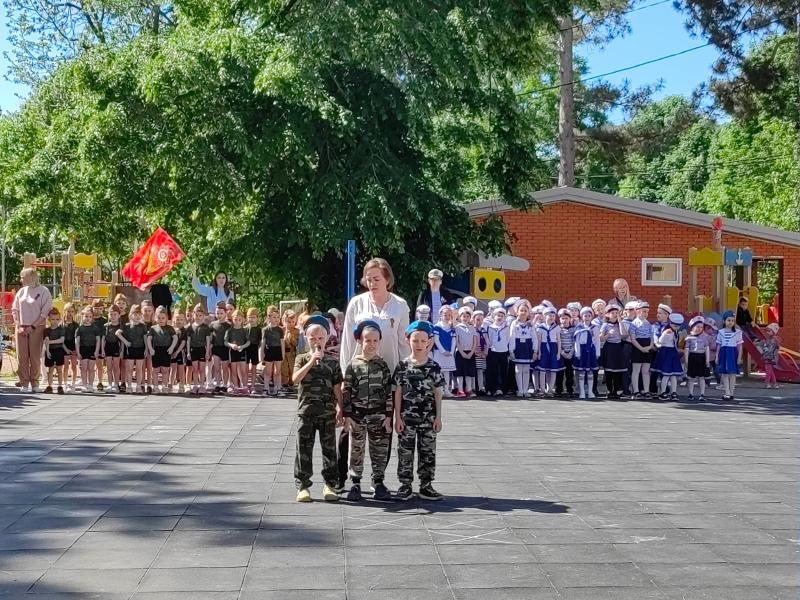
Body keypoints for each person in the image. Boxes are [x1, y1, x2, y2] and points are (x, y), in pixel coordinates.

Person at [339, 258, 410, 492]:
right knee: (351, 429)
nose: (372, 283)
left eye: (376, 279)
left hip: (387, 375)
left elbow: (404, 344)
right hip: (359, 376)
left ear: (387, 279)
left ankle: (378, 478)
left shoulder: (400, 305)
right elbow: (348, 343)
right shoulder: (357, 304)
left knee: (384, 429)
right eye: (368, 279)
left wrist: (403, 376)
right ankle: (346, 478)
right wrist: (345, 377)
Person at [293, 315, 343, 502]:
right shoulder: (301, 358)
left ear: (327, 338)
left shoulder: (332, 362)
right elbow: (295, 379)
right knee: (303, 450)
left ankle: (330, 485)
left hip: (327, 413)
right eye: (312, 338)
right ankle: (303, 486)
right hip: (306, 412)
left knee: (329, 450)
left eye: (320, 338)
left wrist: (341, 410)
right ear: (306, 338)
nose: (316, 341)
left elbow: (337, 387)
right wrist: (311, 361)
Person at [342, 320, 393, 502]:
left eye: (375, 341)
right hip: (358, 415)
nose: (371, 344)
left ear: (379, 341)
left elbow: (389, 393)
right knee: (356, 449)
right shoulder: (353, 365)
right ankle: (355, 483)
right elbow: (346, 391)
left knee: (379, 449)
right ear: (360, 341)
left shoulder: (383, 366)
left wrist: (388, 416)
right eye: (367, 340)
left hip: (378, 415)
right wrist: (346, 416)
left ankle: (378, 482)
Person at [393, 320, 444, 501]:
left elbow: (438, 393)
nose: (419, 345)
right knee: (405, 452)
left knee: (428, 452)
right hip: (407, 418)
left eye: (423, 341)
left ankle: (426, 485)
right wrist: (397, 417)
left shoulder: (434, 367)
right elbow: (398, 393)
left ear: (429, 342)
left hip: (428, 418)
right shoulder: (402, 366)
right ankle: (405, 484)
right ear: (408, 341)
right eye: (415, 340)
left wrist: (438, 417)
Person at [11, 267, 53, 393]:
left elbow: (45, 312)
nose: (21, 279)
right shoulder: (21, 291)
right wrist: (18, 325)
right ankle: (24, 382)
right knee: (22, 356)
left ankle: (35, 382)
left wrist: (33, 326)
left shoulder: (44, 291)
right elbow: (15, 309)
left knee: (34, 356)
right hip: (21, 328)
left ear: (31, 277)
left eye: (23, 277)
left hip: (36, 328)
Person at [653, 312, 685, 400]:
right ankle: (663, 392)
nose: (676, 328)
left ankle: (673, 392)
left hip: (673, 352)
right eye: (675, 326)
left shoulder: (676, 331)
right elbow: (660, 341)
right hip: (665, 352)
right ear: (670, 323)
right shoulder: (667, 330)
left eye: (678, 326)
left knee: (674, 374)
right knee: (666, 374)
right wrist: (665, 334)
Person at [146, 306, 178, 394]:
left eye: (163, 318)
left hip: (166, 350)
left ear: (166, 318)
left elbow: (175, 338)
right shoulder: (153, 328)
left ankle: (165, 386)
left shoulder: (170, 328)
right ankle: (155, 387)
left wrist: (171, 348)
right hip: (156, 350)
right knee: (155, 370)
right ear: (155, 317)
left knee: (165, 369)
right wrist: (151, 349)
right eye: (159, 318)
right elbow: (149, 339)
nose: (161, 320)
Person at [118, 304, 148, 394]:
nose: (137, 316)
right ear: (131, 315)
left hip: (140, 348)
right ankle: (129, 385)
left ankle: (138, 386)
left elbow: (145, 338)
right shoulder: (127, 326)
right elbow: (118, 333)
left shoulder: (143, 326)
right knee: (129, 369)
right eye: (135, 314)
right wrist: (126, 342)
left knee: (139, 369)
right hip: (130, 349)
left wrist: (146, 348)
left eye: (139, 314)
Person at [509, 301, 535, 399]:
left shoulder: (530, 325)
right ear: (517, 312)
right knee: (518, 369)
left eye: (525, 311)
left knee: (526, 370)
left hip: (527, 347)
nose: (523, 313)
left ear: (528, 313)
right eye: (521, 310)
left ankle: (525, 389)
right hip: (518, 346)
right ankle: (520, 390)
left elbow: (534, 338)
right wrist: (511, 350)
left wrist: (535, 350)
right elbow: (512, 337)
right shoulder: (514, 323)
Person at [599, 305, 626, 399]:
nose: (615, 315)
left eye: (616, 313)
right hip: (609, 348)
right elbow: (601, 338)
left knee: (617, 372)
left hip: (618, 348)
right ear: (607, 314)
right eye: (612, 313)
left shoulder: (620, 324)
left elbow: (624, 335)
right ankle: (609, 390)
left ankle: (616, 391)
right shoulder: (605, 325)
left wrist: (620, 322)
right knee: (609, 371)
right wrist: (608, 334)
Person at [536, 306, 563, 397]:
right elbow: (539, 341)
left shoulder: (556, 327)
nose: (551, 317)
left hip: (553, 348)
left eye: (553, 316)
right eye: (549, 315)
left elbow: (559, 341)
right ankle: (542, 389)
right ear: (544, 316)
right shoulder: (540, 327)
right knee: (542, 370)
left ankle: (550, 389)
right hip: (544, 348)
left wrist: (558, 353)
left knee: (553, 369)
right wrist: (539, 352)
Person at [629, 301, 654, 399]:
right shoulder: (633, 324)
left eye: (647, 312)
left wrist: (650, 346)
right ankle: (636, 391)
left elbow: (652, 337)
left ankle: (646, 390)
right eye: (644, 311)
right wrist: (641, 348)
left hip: (647, 347)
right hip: (638, 347)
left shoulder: (649, 324)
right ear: (637, 311)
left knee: (646, 371)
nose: (646, 314)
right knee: (636, 370)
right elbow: (633, 338)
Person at [716, 310, 743, 400]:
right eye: (728, 320)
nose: (731, 322)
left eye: (732, 320)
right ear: (724, 321)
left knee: (733, 374)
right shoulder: (720, 332)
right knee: (725, 374)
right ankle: (727, 392)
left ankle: (731, 393)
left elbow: (739, 346)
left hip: (732, 353)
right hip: (724, 353)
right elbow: (719, 345)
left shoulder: (738, 332)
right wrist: (716, 356)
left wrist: (739, 357)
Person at [574, 307, 600, 399]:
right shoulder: (579, 327)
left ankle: (590, 391)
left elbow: (597, 340)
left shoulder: (595, 328)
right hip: (582, 351)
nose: (587, 317)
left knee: (590, 372)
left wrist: (597, 352)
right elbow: (576, 341)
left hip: (591, 351)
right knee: (581, 371)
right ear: (582, 317)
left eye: (589, 315)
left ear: (591, 317)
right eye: (585, 315)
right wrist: (577, 353)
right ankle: (582, 392)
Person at [187, 304, 212, 395]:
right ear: (193, 315)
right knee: (195, 369)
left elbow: (208, 340)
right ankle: (195, 385)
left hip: (202, 349)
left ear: (203, 316)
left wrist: (207, 352)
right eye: (196, 315)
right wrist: (188, 352)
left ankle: (202, 385)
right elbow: (188, 341)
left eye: (200, 315)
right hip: (193, 349)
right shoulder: (190, 327)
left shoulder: (205, 327)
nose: (198, 317)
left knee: (202, 369)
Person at [432, 305, 457, 396]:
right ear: (441, 315)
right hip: (439, 352)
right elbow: (436, 340)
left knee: (447, 372)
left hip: (449, 353)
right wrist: (443, 351)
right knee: (439, 372)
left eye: (449, 315)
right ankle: (438, 390)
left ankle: (446, 390)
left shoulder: (451, 327)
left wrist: (451, 351)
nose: (447, 317)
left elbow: (454, 340)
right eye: (445, 315)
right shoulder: (437, 327)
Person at [485, 307, 510, 397]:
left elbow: (507, 339)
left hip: (503, 351)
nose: (499, 317)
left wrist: (505, 347)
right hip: (493, 351)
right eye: (498, 315)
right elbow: (489, 340)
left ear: (504, 317)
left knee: (503, 371)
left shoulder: (506, 328)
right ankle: (492, 389)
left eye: (502, 316)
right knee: (493, 371)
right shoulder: (490, 327)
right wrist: (490, 348)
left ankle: (502, 389)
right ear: (494, 316)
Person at [261, 306, 285, 397]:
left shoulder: (280, 330)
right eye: (274, 317)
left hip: (277, 350)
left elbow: (282, 342)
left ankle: (277, 388)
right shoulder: (265, 329)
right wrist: (262, 354)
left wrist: (282, 354)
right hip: (269, 350)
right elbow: (263, 342)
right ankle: (266, 388)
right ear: (269, 318)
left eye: (277, 317)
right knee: (268, 371)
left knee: (277, 371)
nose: (276, 319)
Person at [685, 316, 710, 401]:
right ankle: (691, 394)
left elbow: (707, 348)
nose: (700, 329)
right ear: (692, 327)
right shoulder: (689, 337)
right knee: (691, 378)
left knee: (701, 377)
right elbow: (687, 349)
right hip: (692, 357)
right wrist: (686, 360)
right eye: (697, 326)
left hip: (701, 357)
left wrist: (707, 360)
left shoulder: (705, 337)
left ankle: (702, 394)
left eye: (701, 327)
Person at [453, 307, 477, 397]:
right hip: (460, 352)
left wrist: (471, 352)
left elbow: (475, 341)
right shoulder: (457, 328)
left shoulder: (472, 328)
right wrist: (461, 352)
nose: (465, 318)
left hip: (470, 352)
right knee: (460, 372)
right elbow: (457, 341)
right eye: (464, 316)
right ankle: (460, 389)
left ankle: (469, 389)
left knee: (469, 372)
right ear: (460, 317)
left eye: (467, 316)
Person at [225, 310, 250, 395]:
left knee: (243, 371)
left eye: (239, 319)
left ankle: (245, 387)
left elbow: (248, 342)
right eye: (236, 319)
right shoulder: (229, 331)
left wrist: (242, 347)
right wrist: (231, 345)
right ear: (232, 319)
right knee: (233, 371)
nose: (237, 321)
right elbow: (225, 342)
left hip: (242, 352)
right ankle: (235, 387)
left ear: (242, 320)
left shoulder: (244, 331)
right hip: (233, 352)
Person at [75, 306, 100, 392]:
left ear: (92, 317)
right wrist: (78, 352)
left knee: (91, 368)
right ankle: (84, 384)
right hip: (83, 349)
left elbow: (98, 340)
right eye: (86, 316)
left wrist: (97, 350)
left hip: (92, 349)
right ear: (82, 316)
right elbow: (77, 341)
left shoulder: (95, 328)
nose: (88, 318)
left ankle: (91, 385)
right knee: (84, 368)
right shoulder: (79, 329)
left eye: (90, 316)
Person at [42, 308, 66, 394]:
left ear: (59, 319)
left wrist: (51, 341)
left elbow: (61, 340)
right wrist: (47, 351)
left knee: (59, 369)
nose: (55, 321)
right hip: (50, 350)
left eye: (57, 319)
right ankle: (49, 386)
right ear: (49, 319)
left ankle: (60, 386)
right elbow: (46, 341)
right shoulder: (46, 330)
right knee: (50, 369)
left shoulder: (61, 329)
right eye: (52, 319)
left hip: (59, 350)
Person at [209, 303, 231, 393]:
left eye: (221, 313)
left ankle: (225, 384)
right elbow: (210, 338)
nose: (219, 315)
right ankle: (218, 384)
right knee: (217, 368)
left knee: (225, 368)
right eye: (217, 313)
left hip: (225, 348)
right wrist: (209, 349)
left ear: (225, 313)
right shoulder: (212, 324)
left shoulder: (229, 325)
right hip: (216, 348)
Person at [102, 305, 123, 393]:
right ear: (108, 315)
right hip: (108, 347)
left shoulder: (121, 326)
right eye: (111, 314)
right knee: (109, 367)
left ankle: (116, 384)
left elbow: (122, 340)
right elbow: (103, 339)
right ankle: (110, 384)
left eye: (115, 314)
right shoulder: (106, 326)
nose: (113, 316)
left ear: (119, 315)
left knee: (116, 367)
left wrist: (122, 351)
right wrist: (102, 350)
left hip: (116, 347)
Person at [555, 308, 575, 398]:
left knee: (569, 373)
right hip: (561, 353)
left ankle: (569, 389)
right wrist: (562, 352)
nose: (564, 320)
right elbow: (557, 341)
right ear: (559, 319)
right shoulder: (558, 329)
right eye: (562, 318)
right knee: (559, 373)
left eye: (566, 318)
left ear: (570, 319)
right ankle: (559, 389)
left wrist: (571, 352)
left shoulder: (573, 329)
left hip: (570, 353)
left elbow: (575, 341)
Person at [170, 311, 189, 394]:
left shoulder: (184, 331)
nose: (179, 321)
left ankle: (182, 385)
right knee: (173, 368)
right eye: (177, 319)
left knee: (181, 369)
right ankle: (170, 384)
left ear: (184, 321)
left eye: (181, 320)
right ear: (174, 320)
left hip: (180, 352)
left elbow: (183, 343)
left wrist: (177, 352)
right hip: (172, 351)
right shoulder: (172, 330)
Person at [245, 308, 262, 395]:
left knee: (254, 368)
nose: (251, 319)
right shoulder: (245, 328)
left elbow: (260, 341)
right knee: (246, 368)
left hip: (254, 348)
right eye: (249, 317)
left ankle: (253, 385)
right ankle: (246, 385)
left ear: (257, 318)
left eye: (253, 317)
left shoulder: (259, 329)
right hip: (246, 349)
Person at [281, 310, 299, 389]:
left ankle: (291, 382)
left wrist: (292, 338)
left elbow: (297, 344)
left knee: (292, 368)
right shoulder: (281, 330)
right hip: (283, 352)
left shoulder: (296, 331)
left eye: (292, 322)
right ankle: (284, 383)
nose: (290, 324)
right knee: (284, 368)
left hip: (292, 352)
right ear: (284, 321)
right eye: (288, 322)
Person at [62, 302, 79, 391]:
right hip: (64, 347)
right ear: (64, 311)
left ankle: (73, 383)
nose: (70, 314)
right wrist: (66, 349)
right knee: (65, 366)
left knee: (73, 366)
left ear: (74, 313)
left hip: (73, 347)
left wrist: (76, 349)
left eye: (72, 311)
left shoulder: (76, 325)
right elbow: (60, 338)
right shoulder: (61, 324)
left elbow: (78, 338)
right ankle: (65, 383)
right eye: (68, 311)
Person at [473, 310, 489, 395]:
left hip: (483, 353)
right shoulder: (472, 329)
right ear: (473, 320)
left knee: (481, 370)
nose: (479, 321)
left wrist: (485, 352)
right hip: (475, 353)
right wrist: (476, 351)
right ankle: (476, 388)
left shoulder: (484, 330)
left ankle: (481, 387)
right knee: (476, 370)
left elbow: (487, 340)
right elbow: (472, 341)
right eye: (477, 319)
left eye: (481, 319)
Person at [762, 323, 781, 389]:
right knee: (770, 371)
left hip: (770, 357)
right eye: (767, 331)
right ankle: (775, 384)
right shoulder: (769, 339)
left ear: (773, 332)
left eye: (769, 331)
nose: (767, 332)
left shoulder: (773, 340)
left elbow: (772, 349)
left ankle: (767, 383)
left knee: (768, 371)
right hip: (768, 356)